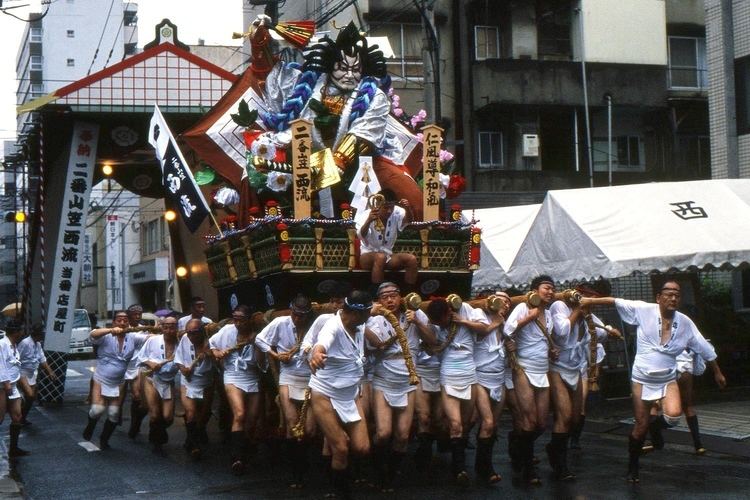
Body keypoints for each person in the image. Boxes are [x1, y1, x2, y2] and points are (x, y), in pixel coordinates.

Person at [245, 16, 424, 222]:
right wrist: (260, 41)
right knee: (255, 180)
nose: (349, 75)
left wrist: (339, 159)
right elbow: (268, 73)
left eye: (355, 69)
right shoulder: (306, 84)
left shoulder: (374, 95)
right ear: (330, 66)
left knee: (410, 196)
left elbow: (364, 133)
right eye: (342, 68)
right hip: (302, 157)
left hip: (362, 162)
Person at [581, 280, 726, 483]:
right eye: (668, 293)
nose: (673, 297)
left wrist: (718, 373)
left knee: (674, 415)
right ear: (659, 298)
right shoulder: (644, 310)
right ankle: (633, 467)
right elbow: (615, 301)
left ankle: (655, 428)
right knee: (640, 426)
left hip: (667, 377)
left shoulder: (685, 323)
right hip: (642, 378)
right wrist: (587, 300)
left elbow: (705, 348)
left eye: (677, 294)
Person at [367, 282, 436, 491]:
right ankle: (377, 467)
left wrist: (419, 323)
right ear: (379, 301)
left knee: (403, 435)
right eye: (385, 297)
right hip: (384, 378)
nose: (390, 300)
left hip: (408, 379)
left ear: (401, 297)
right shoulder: (374, 319)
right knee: (384, 432)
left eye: (393, 295)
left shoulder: (415, 314)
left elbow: (432, 340)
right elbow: (376, 345)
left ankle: (390, 474)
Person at [547, 287, 620, 481]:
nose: (591, 304)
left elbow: (600, 332)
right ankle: (561, 465)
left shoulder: (589, 315)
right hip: (557, 367)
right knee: (564, 415)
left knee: (576, 416)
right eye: (590, 300)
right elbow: (561, 333)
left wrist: (611, 331)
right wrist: (578, 310)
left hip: (577, 368)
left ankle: (554, 448)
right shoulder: (559, 306)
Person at [308, 290, 373, 500]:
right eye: (367, 314)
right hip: (325, 392)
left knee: (362, 448)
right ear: (354, 313)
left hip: (350, 393)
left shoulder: (359, 325)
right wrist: (317, 353)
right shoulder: (332, 325)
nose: (369, 317)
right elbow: (323, 342)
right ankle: (340, 492)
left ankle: (337, 476)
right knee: (341, 448)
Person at [425, 296, 489, 486]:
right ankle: (458, 468)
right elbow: (431, 344)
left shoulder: (467, 310)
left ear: (448, 313)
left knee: (467, 422)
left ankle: (459, 459)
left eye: (443, 319)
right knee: (455, 424)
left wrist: (463, 322)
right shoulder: (435, 324)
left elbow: (484, 329)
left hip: (469, 371)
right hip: (448, 373)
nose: (441, 324)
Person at [255, 294, 316, 489]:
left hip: (311, 378)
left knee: (309, 429)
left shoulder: (315, 326)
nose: (298, 318)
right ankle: (296, 472)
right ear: (291, 311)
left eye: (302, 315)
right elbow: (260, 340)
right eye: (295, 314)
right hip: (288, 376)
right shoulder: (281, 323)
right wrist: (275, 355)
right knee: (292, 424)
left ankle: (305, 463)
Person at [503, 275, 556, 485]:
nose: (550, 292)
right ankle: (528, 469)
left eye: (552, 289)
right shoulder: (523, 307)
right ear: (534, 290)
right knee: (529, 421)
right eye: (546, 288)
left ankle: (516, 444)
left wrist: (552, 351)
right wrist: (529, 317)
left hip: (542, 369)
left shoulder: (550, 313)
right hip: (523, 368)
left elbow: (545, 339)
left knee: (542, 424)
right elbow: (507, 330)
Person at [210, 304, 266, 475]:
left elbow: (261, 363)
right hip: (233, 375)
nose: (237, 323)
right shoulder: (227, 330)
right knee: (240, 414)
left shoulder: (258, 336)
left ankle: (246, 449)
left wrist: (255, 344)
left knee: (251, 421)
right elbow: (211, 343)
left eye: (241, 320)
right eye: (235, 319)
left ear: (249, 320)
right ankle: (236, 457)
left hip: (251, 375)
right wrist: (217, 352)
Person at [84, 311, 150, 449]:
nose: (122, 323)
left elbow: (150, 338)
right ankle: (90, 426)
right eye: (119, 320)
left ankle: (104, 439)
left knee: (114, 414)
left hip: (119, 381)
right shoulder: (106, 336)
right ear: (114, 322)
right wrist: (110, 330)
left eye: (125, 320)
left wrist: (163, 331)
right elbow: (92, 334)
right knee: (97, 410)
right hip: (101, 378)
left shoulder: (133, 337)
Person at [471, 291, 513, 484]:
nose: (504, 305)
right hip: (480, 376)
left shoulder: (505, 322)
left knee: (492, 425)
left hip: (499, 377)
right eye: (501, 301)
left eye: (508, 302)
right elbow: (481, 332)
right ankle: (485, 468)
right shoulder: (480, 314)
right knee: (487, 422)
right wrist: (496, 321)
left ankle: (482, 463)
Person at [357, 189, 417, 291]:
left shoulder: (397, 211)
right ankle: (378, 295)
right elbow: (361, 235)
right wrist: (368, 221)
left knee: (411, 259)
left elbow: (408, 221)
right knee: (380, 257)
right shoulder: (366, 214)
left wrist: (408, 209)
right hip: (367, 256)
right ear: (378, 205)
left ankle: (408, 295)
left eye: (391, 207)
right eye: (385, 208)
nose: (389, 211)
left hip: (387, 256)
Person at [137, 315, 180, 452]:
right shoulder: (153, 340)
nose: (169, 330)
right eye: (166, 327)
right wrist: (151, 363)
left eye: (172, 327)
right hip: (151, 378)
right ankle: (157, 442)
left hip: (168, 382)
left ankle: (156, 430)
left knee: (168, 417)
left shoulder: (181, 344)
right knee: (155, 414)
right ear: (162, 328)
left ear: (177, 328)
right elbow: (141, 358)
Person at [175, 319, 216, 459]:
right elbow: (178, 358)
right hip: (188, 381)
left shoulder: (212, 341)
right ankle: (194, 446)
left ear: (202, 331)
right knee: (191, 413)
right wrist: (183, 369)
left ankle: (191, 439)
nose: (191, 336)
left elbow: (221, 359)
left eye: (194, 333)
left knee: (203, 416)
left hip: (206, 381)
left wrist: (211, 354)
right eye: (189, 333)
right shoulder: (185, 339)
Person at [17, 323, 57, 425]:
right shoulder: (25, 343)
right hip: (22, 372)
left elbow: (42, 359)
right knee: (29, 395)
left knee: (31, 398)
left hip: (31, 373)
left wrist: (50, 372)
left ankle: (22, 418)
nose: (43, 337)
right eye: (42, 335)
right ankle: (17, 414)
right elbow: (16, 358)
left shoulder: (38, 344)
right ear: (37, 334)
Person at [0, 320, 30, 456]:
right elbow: (0, 364)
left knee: (17, 416)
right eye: (21, 330)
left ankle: (13, 448)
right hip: (2, 385)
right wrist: (6, 383)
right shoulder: (2, 344)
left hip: (12, 384)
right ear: (16, 332)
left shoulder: (14, 345)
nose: (23, 332)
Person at [123, 304, 150, 439]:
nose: (138, 316)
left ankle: (135, 424)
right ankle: (114, 420)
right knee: (117, 400)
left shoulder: (143, 330)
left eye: (140, 314)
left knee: (138, 397)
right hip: (122, 366)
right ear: (128, 315)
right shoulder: (122, 328)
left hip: (137, 366)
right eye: (135, 314)